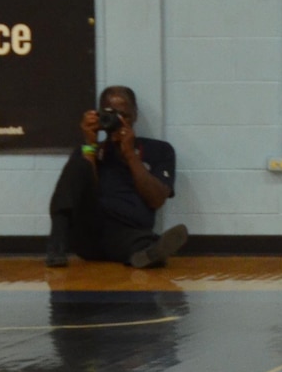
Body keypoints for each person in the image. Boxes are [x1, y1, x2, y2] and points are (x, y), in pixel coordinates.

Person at [45, 85, 187, 268]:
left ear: (135, 115)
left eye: (124, 115)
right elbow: (85, 190)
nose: (117, 121)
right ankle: (56, 245)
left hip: (128, 234)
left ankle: (148, 253)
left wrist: (130, 154)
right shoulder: (91, 150)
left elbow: (156, 200)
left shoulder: (159, 150)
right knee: (79, 162)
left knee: (140, 241)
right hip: (89, 234)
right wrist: (90, 145)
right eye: (110, 114)